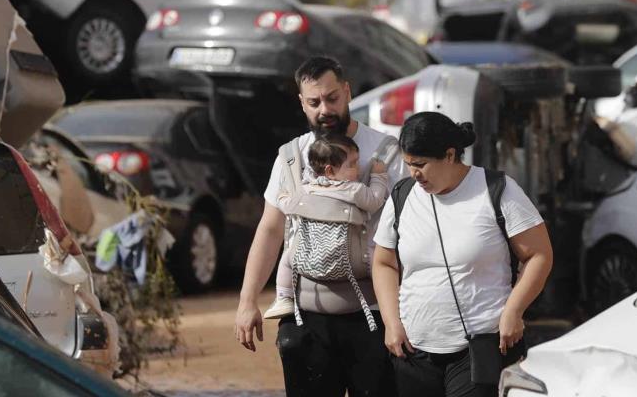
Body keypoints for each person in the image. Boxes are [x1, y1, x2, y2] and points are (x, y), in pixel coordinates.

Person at [234, 56, 408, 397]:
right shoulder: (290, 157)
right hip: (306, 320)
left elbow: (411, 231)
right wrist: (247, 301)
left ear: (347, 92)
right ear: (302, 103)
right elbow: (271, 230)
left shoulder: (386, 154)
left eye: (332, 98)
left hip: (372, 314)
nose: (324, 109)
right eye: (314, 102)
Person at [372, 112, 553, 397]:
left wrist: (514, 311)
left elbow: (539, 254)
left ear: (450, 155)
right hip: (414, 350)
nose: (414, 174)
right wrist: (391, 323)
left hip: (479, 348)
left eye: (421, 165)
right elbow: (383, 263)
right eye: (408, 165)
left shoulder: (497, 190)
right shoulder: (402, 195)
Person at [264, 133, 389, 327]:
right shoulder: (353, 190)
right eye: (353, 164)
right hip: (352, 258)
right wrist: (379, 176)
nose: (359, 168)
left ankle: (283, 296)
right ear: (330, 171)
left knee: (287, 258)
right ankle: (387, 298)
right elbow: (374, 200)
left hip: (308, 258)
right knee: (379, 261)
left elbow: (287, 206)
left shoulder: (306, 189)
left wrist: (281, 196)